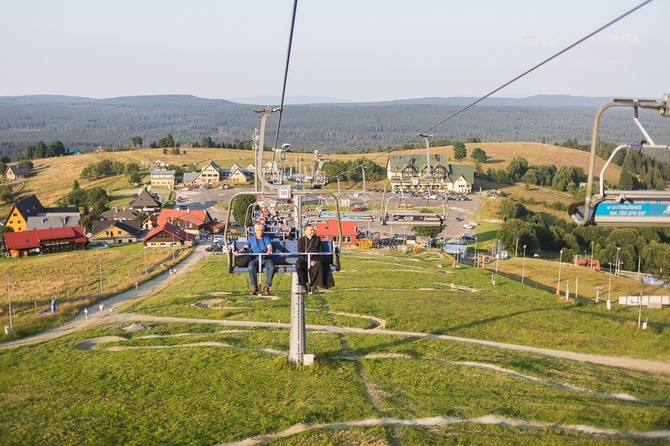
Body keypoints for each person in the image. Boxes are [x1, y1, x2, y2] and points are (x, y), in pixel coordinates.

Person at [235, 223, 275, 295]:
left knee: (271, 267)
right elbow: (245, 247)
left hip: (265, 258)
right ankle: (254, 286)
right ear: (255, 231)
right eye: (259, 230)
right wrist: (239, 252)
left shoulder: (266, 238)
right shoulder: (251, 239)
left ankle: (267, 286)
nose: (260, 232)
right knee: (251, 267)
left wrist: (269, 250)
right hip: (254, 258)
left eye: (262, 230)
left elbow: (269, 246)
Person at [296, 223, 334, 293]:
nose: (313, 231)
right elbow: (300, 253)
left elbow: (320, 251)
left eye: (313, 230)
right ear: (305, 231)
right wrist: (309, 261)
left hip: (316, 259)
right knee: (299, 265)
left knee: (318, 264)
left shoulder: (317, 239)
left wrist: (314, 260)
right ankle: (304, 286)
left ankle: (314, 286)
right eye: (311, 230)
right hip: (304, 260)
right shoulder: (301, 240)